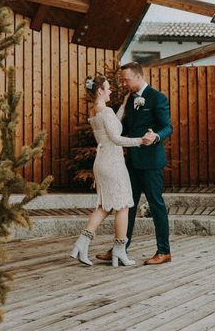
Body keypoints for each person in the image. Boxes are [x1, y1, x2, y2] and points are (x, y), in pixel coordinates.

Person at [70, 75, 152, 267]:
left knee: (105, 206)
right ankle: (119, 250)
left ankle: (81, 244)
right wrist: (141, 141)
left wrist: (123, 105)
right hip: (112, 161)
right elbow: (116, 138)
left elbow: (112, 125)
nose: (111, 90)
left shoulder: (97, 110)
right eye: (108, 88)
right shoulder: (105, 111)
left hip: (103, 160)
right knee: (123, 205)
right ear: (100, 90)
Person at [96, 62, 173, 265]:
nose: (123, 83)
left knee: (156, 205)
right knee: (127, 205)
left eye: (126, 79)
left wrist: (156, 135)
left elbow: (167, 126)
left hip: (151, 161)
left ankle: (164, 251)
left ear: (138, 77)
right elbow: (123, 127)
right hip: (132, 161)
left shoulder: (158, 98)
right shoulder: (129, 100)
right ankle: (120, 249)